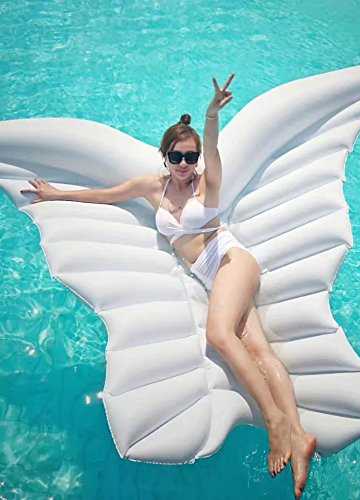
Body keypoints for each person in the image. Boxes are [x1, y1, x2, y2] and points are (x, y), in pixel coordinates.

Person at [21, 74, 316, 499]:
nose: (184, 164)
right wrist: (56, 195)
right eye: (176, 156)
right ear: (165, 156)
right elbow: (108, 195)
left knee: (219, 335)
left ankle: (275, 421)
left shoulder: (207, 183)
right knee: (259, 350)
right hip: (212, 276)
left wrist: (211, 115)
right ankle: (301, 437)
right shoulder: (152, 187)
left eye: (190, 157)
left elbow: (214, 148)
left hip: (232, 261)